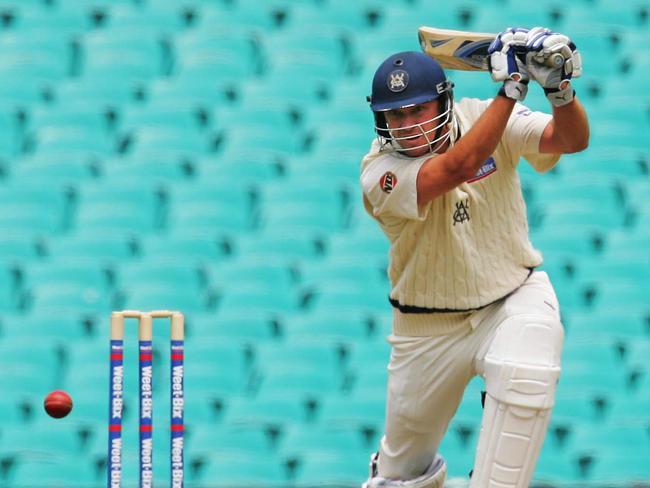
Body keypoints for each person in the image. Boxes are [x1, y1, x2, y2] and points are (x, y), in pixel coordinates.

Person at [360, 27, 589, 488]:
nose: (408, 124)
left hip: (510, 297)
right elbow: (458, 166)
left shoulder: (484, 116)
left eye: (418, 109)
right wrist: (511, 87)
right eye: (395, 115)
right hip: (426, 328)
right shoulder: (378, 173)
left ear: (444, 101)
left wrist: (560, 91)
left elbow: (570, 140)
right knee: (401, 477)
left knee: (530, 363)